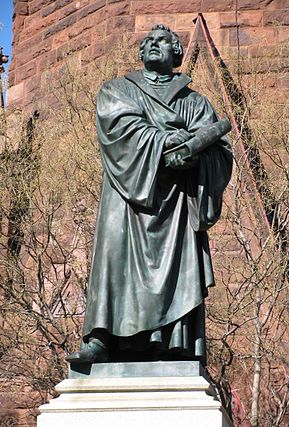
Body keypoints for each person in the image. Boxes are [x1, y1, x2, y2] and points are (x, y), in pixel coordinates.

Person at [66, 24, 233, 365]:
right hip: (126, 195)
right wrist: (170, 141)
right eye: (149, 42)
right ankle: (102, 339)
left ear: (177, 53)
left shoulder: (196, 103)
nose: (156, 45)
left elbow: (221, 152)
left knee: (176, 270)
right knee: (113, 259)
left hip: (175, 203)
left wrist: (195, 156)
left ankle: (172, 343)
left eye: (164, 41)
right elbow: (119, 129)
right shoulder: (117, 90)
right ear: (141, 53)